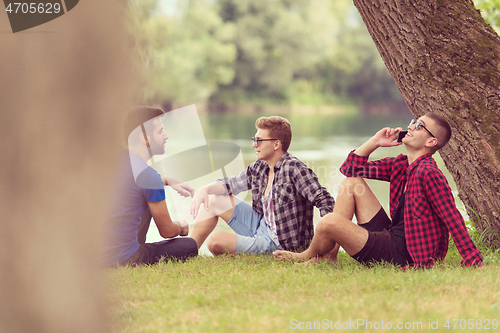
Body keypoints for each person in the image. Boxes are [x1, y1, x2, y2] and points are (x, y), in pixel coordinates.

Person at [274, 113, 483, 268]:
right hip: (393, 235)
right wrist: (375, 142)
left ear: (431, 142)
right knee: (352, 182)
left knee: (328, 222)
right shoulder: (401, 165)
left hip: (406, 254)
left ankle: (308, 255)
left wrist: (471, 257)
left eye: (419, 126)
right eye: (413, 121)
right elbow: (349, 169)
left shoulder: (429, 173)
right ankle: (329, 256)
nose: (411, 126)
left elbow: (452, 216)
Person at [189, 116, 335, 255]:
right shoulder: (260, 167)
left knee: (215, 241)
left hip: (280, 243)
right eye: (254, 139)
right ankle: (187, 252)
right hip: (261, 225)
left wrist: (320, 247)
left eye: (259, 140)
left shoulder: (295, 169)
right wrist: (204, 189)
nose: (254, 145)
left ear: (276, 144)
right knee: (214, 199)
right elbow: (231, 183)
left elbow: (326, 201)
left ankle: (251, 253)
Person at [100, 106, 198, 267]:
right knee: (190, 245)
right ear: (144, 138)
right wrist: (180, 228)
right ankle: (134, 250)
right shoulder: (148, 176)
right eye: (160, 132)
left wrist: (169, 180)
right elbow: (166, 231)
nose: (166, 136)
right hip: (123, 259)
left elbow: (130, 182)